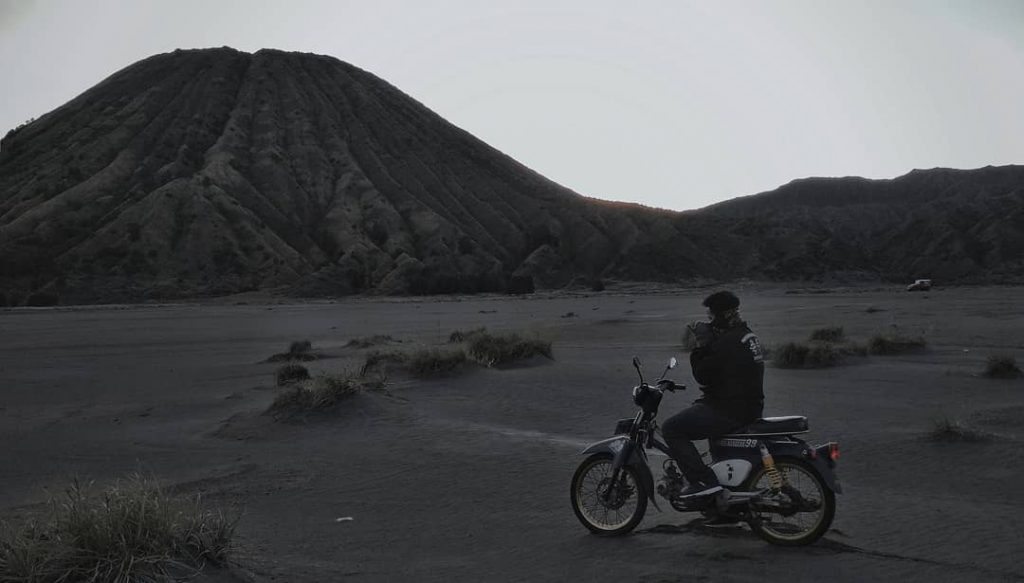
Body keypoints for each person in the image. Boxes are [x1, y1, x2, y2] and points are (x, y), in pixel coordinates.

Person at [659, 290, 765, 501]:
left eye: (711, 317)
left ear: (723, 316)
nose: (709, 322)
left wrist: (701, 346)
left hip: (729, 410)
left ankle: (702, 483)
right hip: (748, 405)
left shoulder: (726, 343)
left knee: (671, 428)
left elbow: (702, 376)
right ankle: (721, 499)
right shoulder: (746, 335)